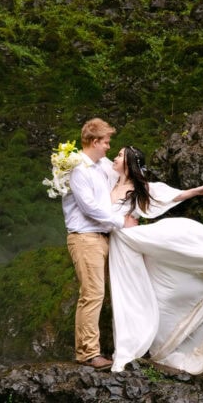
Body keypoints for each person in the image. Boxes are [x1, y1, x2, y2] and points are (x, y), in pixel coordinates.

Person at [106, 145, 203, 374]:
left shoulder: (138, 188)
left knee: (180, 235)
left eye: (119, 155)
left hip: (130, 238)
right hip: (118, 240)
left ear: (128, 163)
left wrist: (196, 191)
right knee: (129, 291)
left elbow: (168, 195)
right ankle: (137, 337)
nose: (115, 158)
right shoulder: (108, 180)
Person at [61, 118, 137, 370]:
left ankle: (100, 348)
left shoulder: (101, 164)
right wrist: (120, 221)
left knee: (99, 293)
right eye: (105, 142)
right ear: (94, 142)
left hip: (103, 238)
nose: (108, 147)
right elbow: (90, 208)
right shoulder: (79, 170)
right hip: (85, 238)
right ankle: (88, 353)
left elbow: (126, 172)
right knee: (92, 294)